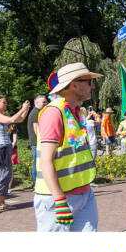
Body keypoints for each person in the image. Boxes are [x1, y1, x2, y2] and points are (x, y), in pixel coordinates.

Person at [34, 62, 100, 232]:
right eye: (89, 81)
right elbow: (46, 161)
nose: (92, 86)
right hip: (57, 197)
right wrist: (59, 200)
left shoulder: (78, 112)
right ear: (74, 85)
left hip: (84, 194)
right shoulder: (53, 113)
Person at [0, 95, 30, 214]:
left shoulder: (3, 115)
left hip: (5, 147)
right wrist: (22, 108)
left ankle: (1, 203)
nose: (6, 104)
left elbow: (19, 119)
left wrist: (26, 109)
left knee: (6, 175)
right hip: (0, 148)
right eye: (4, 102)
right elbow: (13, 119)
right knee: (4, 174)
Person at [27, 95, 48, 188]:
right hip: (37, 143)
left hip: (37, 142)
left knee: (39, 163)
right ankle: (36, 184)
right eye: (43, 102)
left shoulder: (38, 112)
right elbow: (36, 129)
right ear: (36, 103)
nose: (45, 104)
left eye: (45, 102)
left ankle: (38, 183)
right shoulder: (36, 112)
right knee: (37, 163)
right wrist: (42, 141)